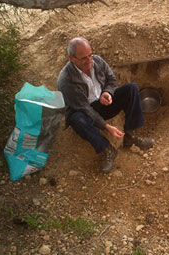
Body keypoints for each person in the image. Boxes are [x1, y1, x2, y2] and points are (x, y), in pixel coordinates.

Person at [57, 37, 154, 173]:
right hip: (86, 111)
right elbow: (84, 108)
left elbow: (111, 80)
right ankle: (107, 149)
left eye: (90, 55)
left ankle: (130, 136)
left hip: (103, 103)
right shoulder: (66, 80)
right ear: (72, 58)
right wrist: (107, 126)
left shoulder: (97, 61)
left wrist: (107, 93)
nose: (89, 60)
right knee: (77, 119)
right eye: (84, 58)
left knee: (131, 89)